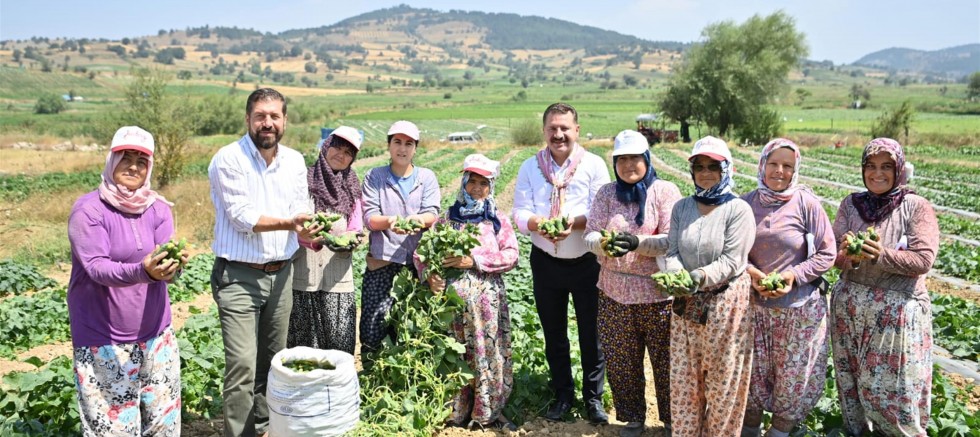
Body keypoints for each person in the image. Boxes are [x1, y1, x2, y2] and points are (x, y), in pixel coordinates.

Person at [208, 88, 318, 437]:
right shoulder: (229, 159)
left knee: (272, 361)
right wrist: (292, 223)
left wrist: (308, 222)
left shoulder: (295, 161)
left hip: (281, 273)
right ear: (248, 119)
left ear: (284, 120)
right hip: (239, 276)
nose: (267, 123)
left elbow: (300, 204)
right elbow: (242, 217)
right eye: (260, 116)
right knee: (242, 364)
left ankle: (264, 426)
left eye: (274, 116)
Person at [67, 126, 186, 435]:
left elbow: (165, 261)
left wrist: (173, 267)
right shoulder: (88, 210)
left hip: (156, 336)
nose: (133, 167)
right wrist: (143, 272)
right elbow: (96, 267)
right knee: (113, 429)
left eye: (141, 161)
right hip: (102, 339)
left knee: (163, 426)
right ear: (112, 160)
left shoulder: (158, 208)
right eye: (125, 158)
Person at [829, 138, 938, 436]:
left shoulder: (915, 207)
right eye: (871, 166)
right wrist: (848, 256)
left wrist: (880, 255)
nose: (878, 173)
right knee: (853, 387)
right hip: (850, 312)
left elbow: (923, 259)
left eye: (886, 167)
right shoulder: (851, 204)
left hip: (896, 316)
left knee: (895, 393)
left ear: (899, 170)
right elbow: (833, 254)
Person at [512, 102, 611, 424]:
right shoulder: (530, 167)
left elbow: (601, 212)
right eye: (552, 128)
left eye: (564, 128)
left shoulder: (594, 165)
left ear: (576, 130)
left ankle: (594, 398)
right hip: (545, 261)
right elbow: (520, 211)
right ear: (544, 131)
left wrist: (574, 224)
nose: (559, 134)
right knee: (554, 333)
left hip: (587, 262)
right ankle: (563, 394)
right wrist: (537, 224)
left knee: (591, 334)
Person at [584, 130, 682, 437]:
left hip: (658, 295)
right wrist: (604, 245)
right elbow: (590, 233)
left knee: (666, 361)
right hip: (613, 293)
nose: (628, 165)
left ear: (647, 160)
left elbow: (673, 239)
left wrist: (637, 243)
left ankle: (672, 420)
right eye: (622, 159)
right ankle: (633, 417)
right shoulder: (606, 194)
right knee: (622, 360)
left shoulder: (664, 191)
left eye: (635, 158)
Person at [414, 153, 520, 431]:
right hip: (453, 306)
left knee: (486, 353)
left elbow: (511, 255)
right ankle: (456, 412)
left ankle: (487, 411)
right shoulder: (448, 219)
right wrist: (430, 275)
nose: (476, 188)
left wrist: (474, 260)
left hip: (487, 306)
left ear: (490, 187)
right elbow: (421, 254)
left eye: (483, 183)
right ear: (463, 183)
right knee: (456, 354)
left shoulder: (496, 220)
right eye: (472, 181)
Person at [739, 139, 836, 437]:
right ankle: (749, 431)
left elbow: (827, 253)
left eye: (787, 166)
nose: (779, 171)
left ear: (795, 170)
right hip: (754, 309)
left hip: (799, 312)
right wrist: (752, 272)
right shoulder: (745, 204)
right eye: (773, 164)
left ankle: (778, 433)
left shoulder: (806, 204)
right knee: (751, 378)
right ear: (762, 165)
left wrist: (793, 276)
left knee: (793, 380)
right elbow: (731, 250)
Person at [662, 136, 755, 437]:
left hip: (725, 304)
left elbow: (732, 260)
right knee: (685, 381)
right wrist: (677, 276)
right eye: (699, 166)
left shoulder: (738, 210)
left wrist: (697, 278)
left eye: (713, 167)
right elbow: (673, 251)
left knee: (723, 383)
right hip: (686, 302)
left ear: (726, 169)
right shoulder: (682, 207)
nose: (705, 173)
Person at [360, 120, 440, 354]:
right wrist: (391, 222)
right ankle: (372, 373)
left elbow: (432, 212)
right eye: (397, 142)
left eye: (408, 143)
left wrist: (418, 220)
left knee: (412, 330)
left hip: (417, 265)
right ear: (389, 145)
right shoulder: (375, 176)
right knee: (374, 328)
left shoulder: (426, 177)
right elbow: (370, 217)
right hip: (383, 264)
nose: (402, 149)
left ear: (415, 148)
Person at [288, 126, 365, 354]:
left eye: (348, 153)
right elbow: (292, 224)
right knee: (304, 351)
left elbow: (356, 227)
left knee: (340, 349)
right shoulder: (302, 181)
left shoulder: (352, 187)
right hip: (303, 277)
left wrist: (351, 240)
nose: (341, 155)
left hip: (338, 279)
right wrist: (310, 238)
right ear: (326, 146)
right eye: (337, 148)